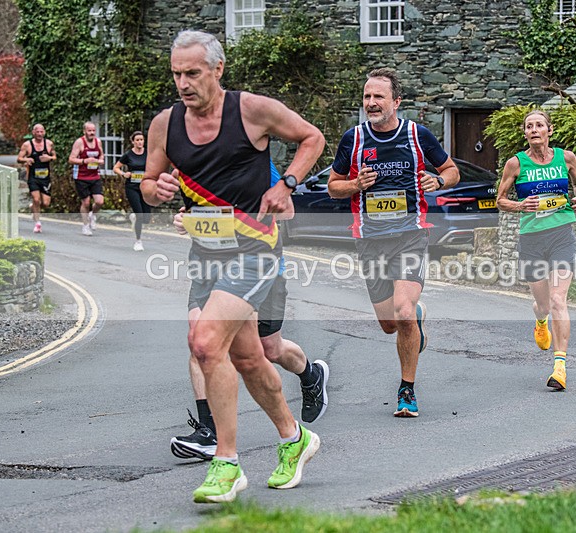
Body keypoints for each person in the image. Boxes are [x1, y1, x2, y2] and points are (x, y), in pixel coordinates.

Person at [141, 30, 325, 504]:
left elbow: (312, 138)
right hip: (207, 253)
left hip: (255, 249)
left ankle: (226, 463)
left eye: (193, 73)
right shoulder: (166, 124)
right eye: (176, 74)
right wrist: (154, 191)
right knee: (246, 358)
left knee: (203, 341)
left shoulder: (252, 110)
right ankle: (294, 438)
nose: (183, 83)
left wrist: (285, 183)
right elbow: (148, 180)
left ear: (218, 70)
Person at [170, 161, 330, 462]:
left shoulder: (253, 160)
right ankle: (209, 431)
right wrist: (186, 219)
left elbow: (288, 211)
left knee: (269, 349)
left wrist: (236, 218)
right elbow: (194, 211)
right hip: (210, 267)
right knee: (199, 339)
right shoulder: (193, 162)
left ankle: (311, 375)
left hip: (260, 267)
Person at [327, 68, 460, 418]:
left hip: (409, 235)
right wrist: (356, 185)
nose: (371, 103)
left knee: (401, 312)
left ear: (396, 102)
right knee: (391, 324)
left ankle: (407, 390)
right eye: (367, 97)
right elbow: (333, 186)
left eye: (378, 97)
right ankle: (415, 318)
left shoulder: (417, 135)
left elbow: (451, 171)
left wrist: (438, 181)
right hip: (370, 240)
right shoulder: (353, 139)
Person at [495, 109, 576, 391]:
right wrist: (521, 205)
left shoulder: (565, 157)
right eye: (529, 126)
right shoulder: (516, 163)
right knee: (544, 303)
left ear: (550, 130)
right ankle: (540, 320)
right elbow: (500, 200)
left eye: (539, 125)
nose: (534, 130)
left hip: (561, 235)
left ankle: (560, 367)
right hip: (532, 239)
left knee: (559, 299)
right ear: (525, 133)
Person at [113, 131, 152, 251]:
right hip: (132, 187)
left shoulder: (148, 153)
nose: (140, 142)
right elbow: (115, 168)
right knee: (140, 214)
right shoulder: (128, 155)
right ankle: (138, 241)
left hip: (145, 187)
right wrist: (124, 174)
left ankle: (135, 218)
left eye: (142, 140)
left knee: (146, 218)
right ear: (133, 142)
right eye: (138, 140)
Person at [17, 123, 56, 233]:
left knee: (46, 203)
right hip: (33, 177)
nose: (39, 134)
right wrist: (26, 160)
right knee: (36, 199)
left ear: (44, 132)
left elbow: (54, 156)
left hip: (45, 178)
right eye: (37, 132)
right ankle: (37, 223)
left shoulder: (49, 144)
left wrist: (49, 158)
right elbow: (19, 158)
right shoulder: (27, 145)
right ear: (33, 133)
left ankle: (33, 207)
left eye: (41, 132)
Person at [68, 122, 105, 236]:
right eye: (89, 131)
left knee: (99, 201)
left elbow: (102, 156)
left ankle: (92, 215)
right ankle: (85, 226)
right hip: (81, 176)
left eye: (93, 130)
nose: (92, 133)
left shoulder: (98, 141)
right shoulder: (79, 142)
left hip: (94, 175)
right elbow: (71, 159)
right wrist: (85, 161)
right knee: (86, 202)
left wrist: (100, 161)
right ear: (84, 131)